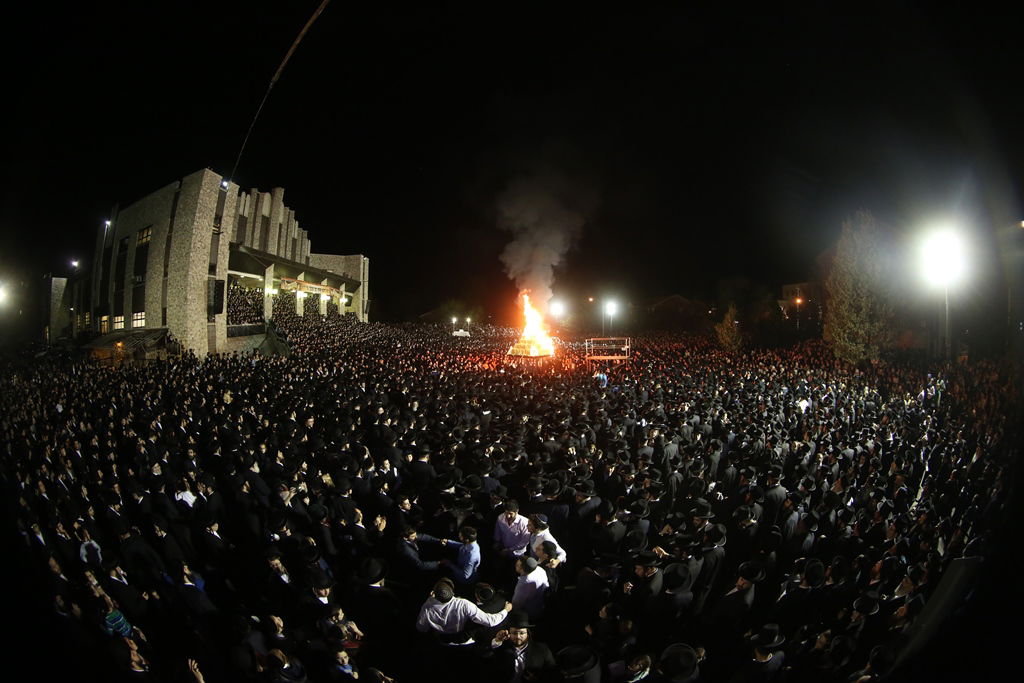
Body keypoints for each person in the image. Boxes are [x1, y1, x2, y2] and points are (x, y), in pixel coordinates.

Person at [415, 577, 512, 641]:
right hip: (463, 640)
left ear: (433, 593)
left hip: (442, 640)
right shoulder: (464, 604)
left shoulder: (427, 606)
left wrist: (431, 600)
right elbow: (490, 621)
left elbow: (421, 628)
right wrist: (505, 610)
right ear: (452, 592)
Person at [490, 611, 557, 682]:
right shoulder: (501, 649)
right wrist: (497, 640)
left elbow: (552, 672)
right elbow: (488, 658)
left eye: (522, 633)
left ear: (527, 634)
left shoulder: (541, 650)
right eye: (514, 633)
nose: (518, 636)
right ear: (509, 634)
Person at [511, 556, 550, 620]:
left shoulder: (525, 583)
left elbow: (516, 603)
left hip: (531, 612)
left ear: (523, 570)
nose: (515, 564)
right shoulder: (539, 569)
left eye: (518, 565)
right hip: (542, 602)